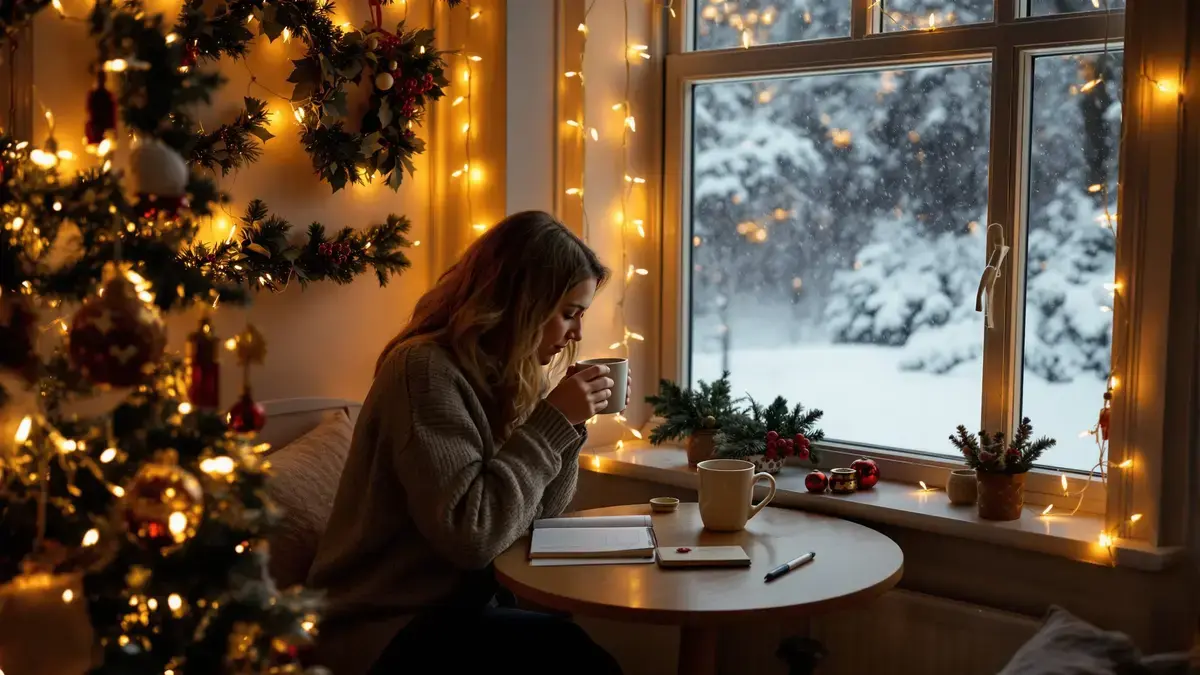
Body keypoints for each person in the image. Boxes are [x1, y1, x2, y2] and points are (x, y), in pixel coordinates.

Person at [308, 211, 627, 675]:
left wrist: (570, 427)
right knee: (576, 658)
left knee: (569, 642)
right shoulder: (422, 371)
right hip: (382, 623)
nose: (576, 333)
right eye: (568, 314)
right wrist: (553, 421)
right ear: (523, 303)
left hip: (461, 610)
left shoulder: (516, 374)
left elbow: (539, 513)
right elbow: (472, 536)